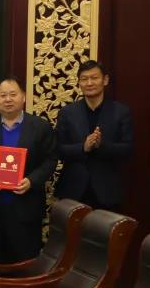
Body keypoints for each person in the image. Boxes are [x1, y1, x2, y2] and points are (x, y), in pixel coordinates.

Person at [0, 77, 57, 264]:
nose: (8, 99)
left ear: (23, 97)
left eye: (13, 94)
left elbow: (50, 160)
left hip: (26, 210)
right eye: (3, 95)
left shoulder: (40, 127)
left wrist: (31, 181)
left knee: (24, 264)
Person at [55, 60, 133, 211]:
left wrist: (101, 146)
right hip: (73, 190)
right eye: (84, 79)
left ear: (105, 80)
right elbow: (57, 149)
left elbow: (128, 149)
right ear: (79, 83)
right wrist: (83, 147)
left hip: (107, 190)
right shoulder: (67, 113)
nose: (89, 83)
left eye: (94, 78)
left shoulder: (121, 112)